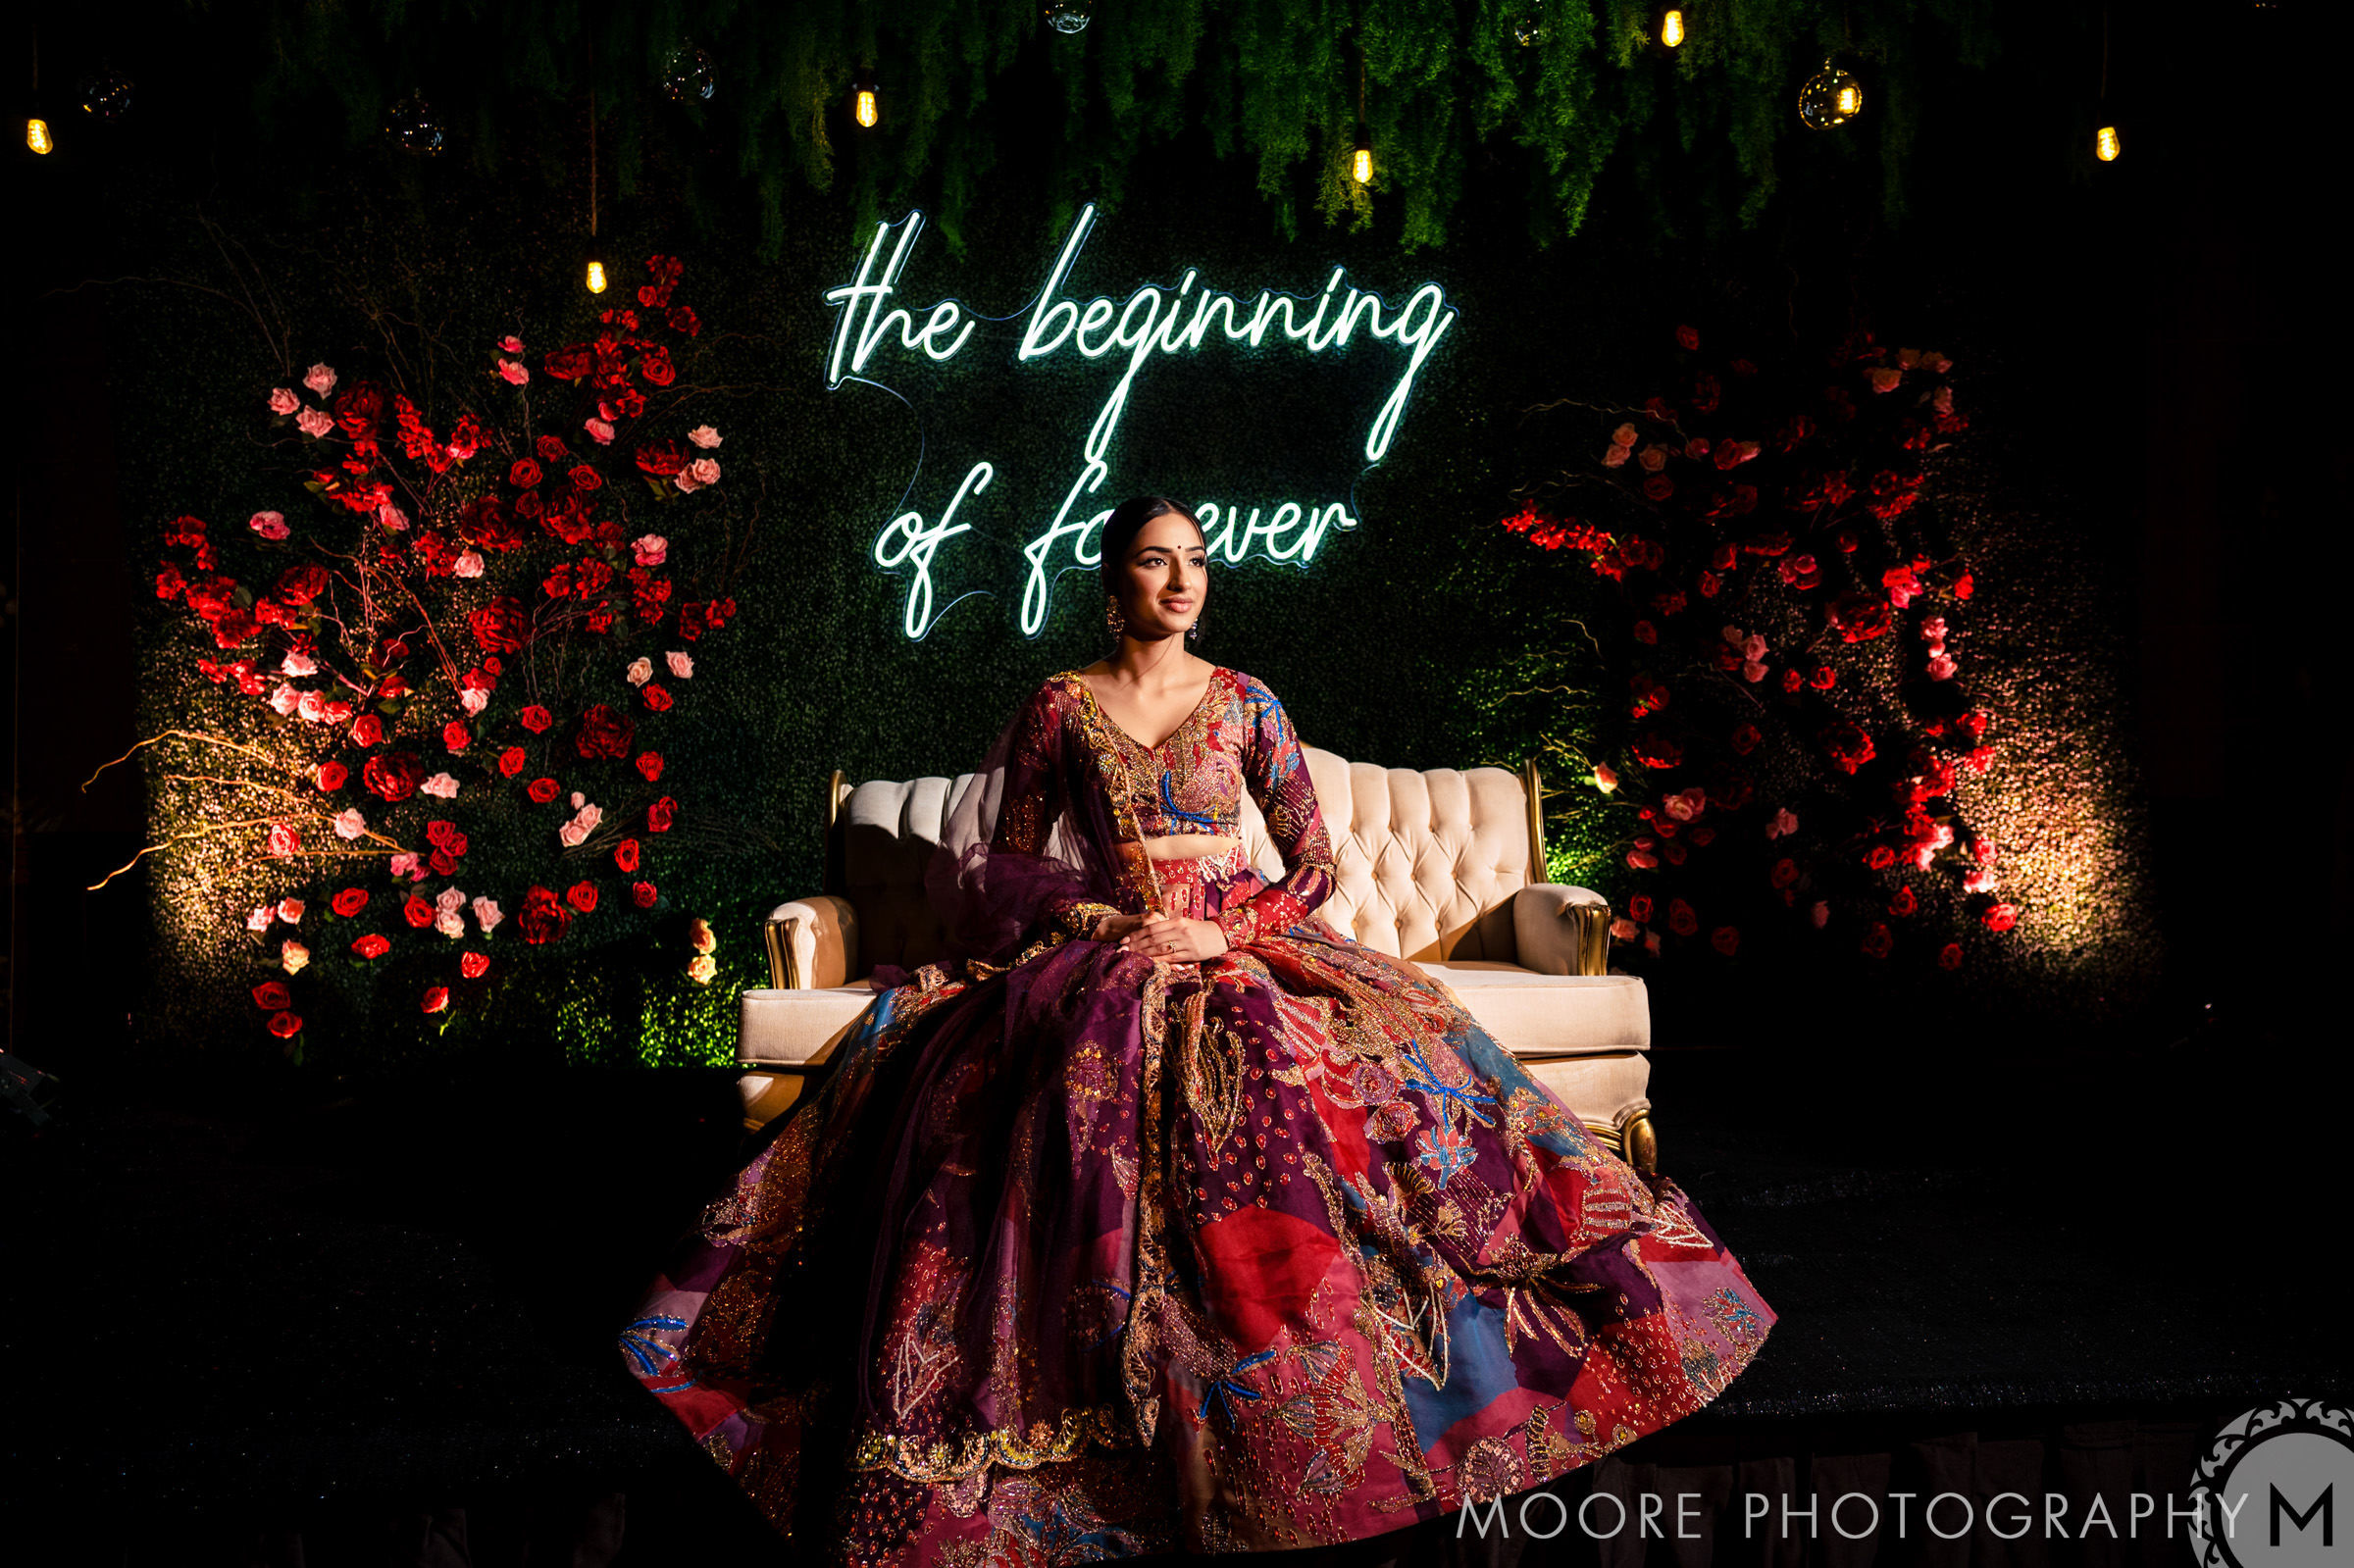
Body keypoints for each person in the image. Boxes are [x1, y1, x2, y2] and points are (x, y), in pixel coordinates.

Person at [622, 496, 1774, 1564]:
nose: (1182, 581)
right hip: (1109, 947)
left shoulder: (1247, 701)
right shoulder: (1061, 705)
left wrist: (1227, 937)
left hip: (1238, 943)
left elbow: (1314, 863)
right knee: (1050, 1098)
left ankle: (1305, 1371)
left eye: (1196, 563)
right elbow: (1014, 859)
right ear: (1111, 582)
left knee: (1292, 1070)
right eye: (1155, 562)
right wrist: (1105, 921)